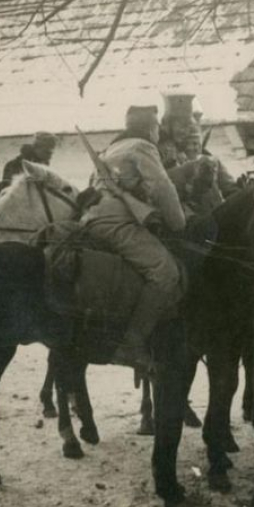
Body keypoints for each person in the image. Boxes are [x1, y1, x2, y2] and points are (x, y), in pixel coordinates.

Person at [80, 105, 185, 368]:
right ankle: (131, 344)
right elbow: (162, 187)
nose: (159, 132)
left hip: (91, 218)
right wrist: (178, 222)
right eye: (157, 127)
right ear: (152, 128)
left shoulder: (110, 149)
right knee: (165, 271)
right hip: (117, 221)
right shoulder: (142, 146)